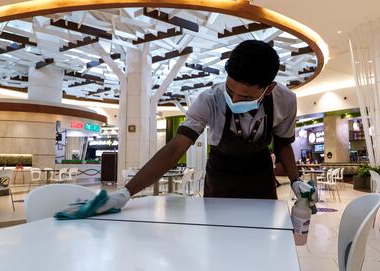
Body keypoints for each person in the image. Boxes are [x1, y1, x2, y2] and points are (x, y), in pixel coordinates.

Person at [96, 40, 307, 213]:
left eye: (244, 96)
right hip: (220, 179)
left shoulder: (285, 101)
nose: (233, 98)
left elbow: (282, 144)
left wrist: (296, 181)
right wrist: (125, 193)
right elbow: (174, 149)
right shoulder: (209, 100)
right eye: (229, 89)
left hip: (260, 180)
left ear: (268, 89)